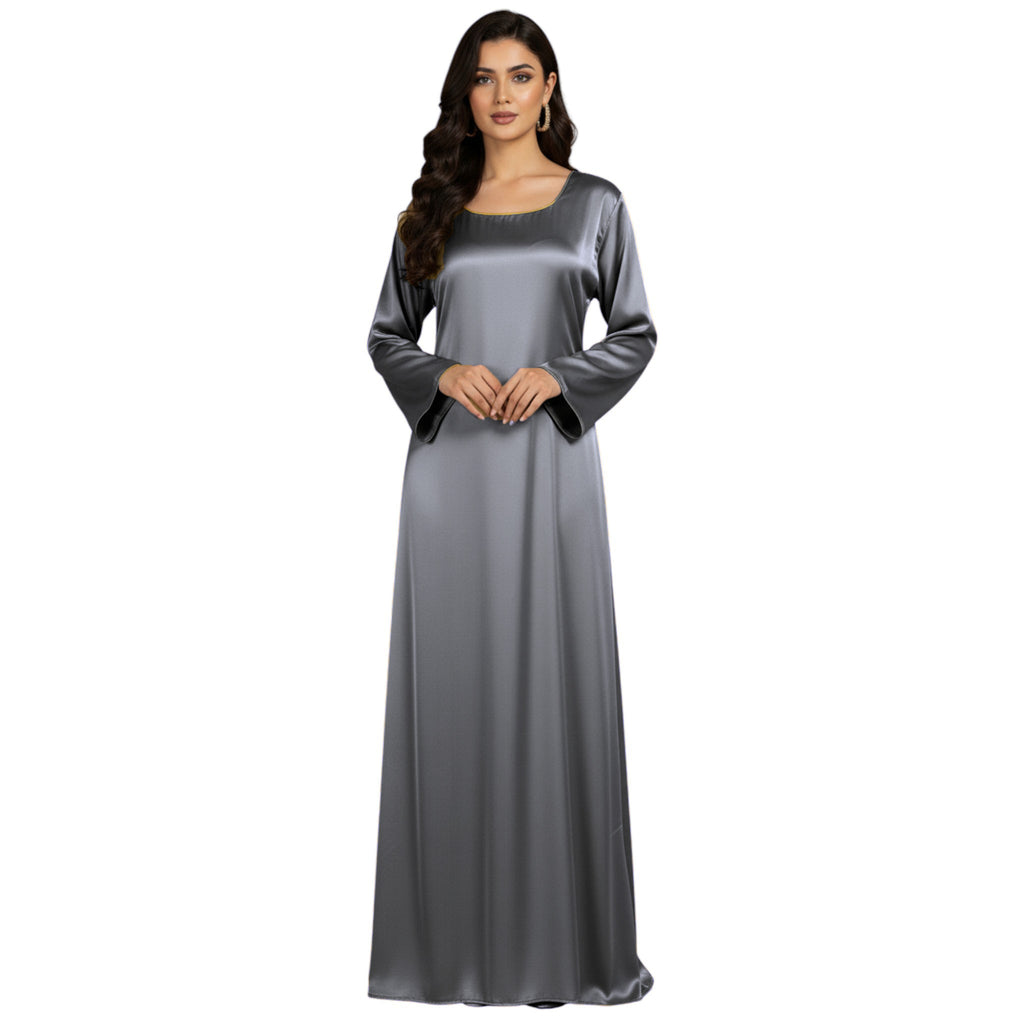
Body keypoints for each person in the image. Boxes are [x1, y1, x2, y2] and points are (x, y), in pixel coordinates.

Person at [365, 11, 657, 1008]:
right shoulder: (432, 210)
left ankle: (555, 956)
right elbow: (386, 334)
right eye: (484, 77)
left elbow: (636, 330)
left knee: (551, 681)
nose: (500, 94)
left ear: (548, 88)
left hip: (548, 467)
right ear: (466, 92)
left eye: (519, 75)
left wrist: (559, 374)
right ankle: (449, 956)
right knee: (453, 689)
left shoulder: (595, 205)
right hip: (449, 480)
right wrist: (441, 373)